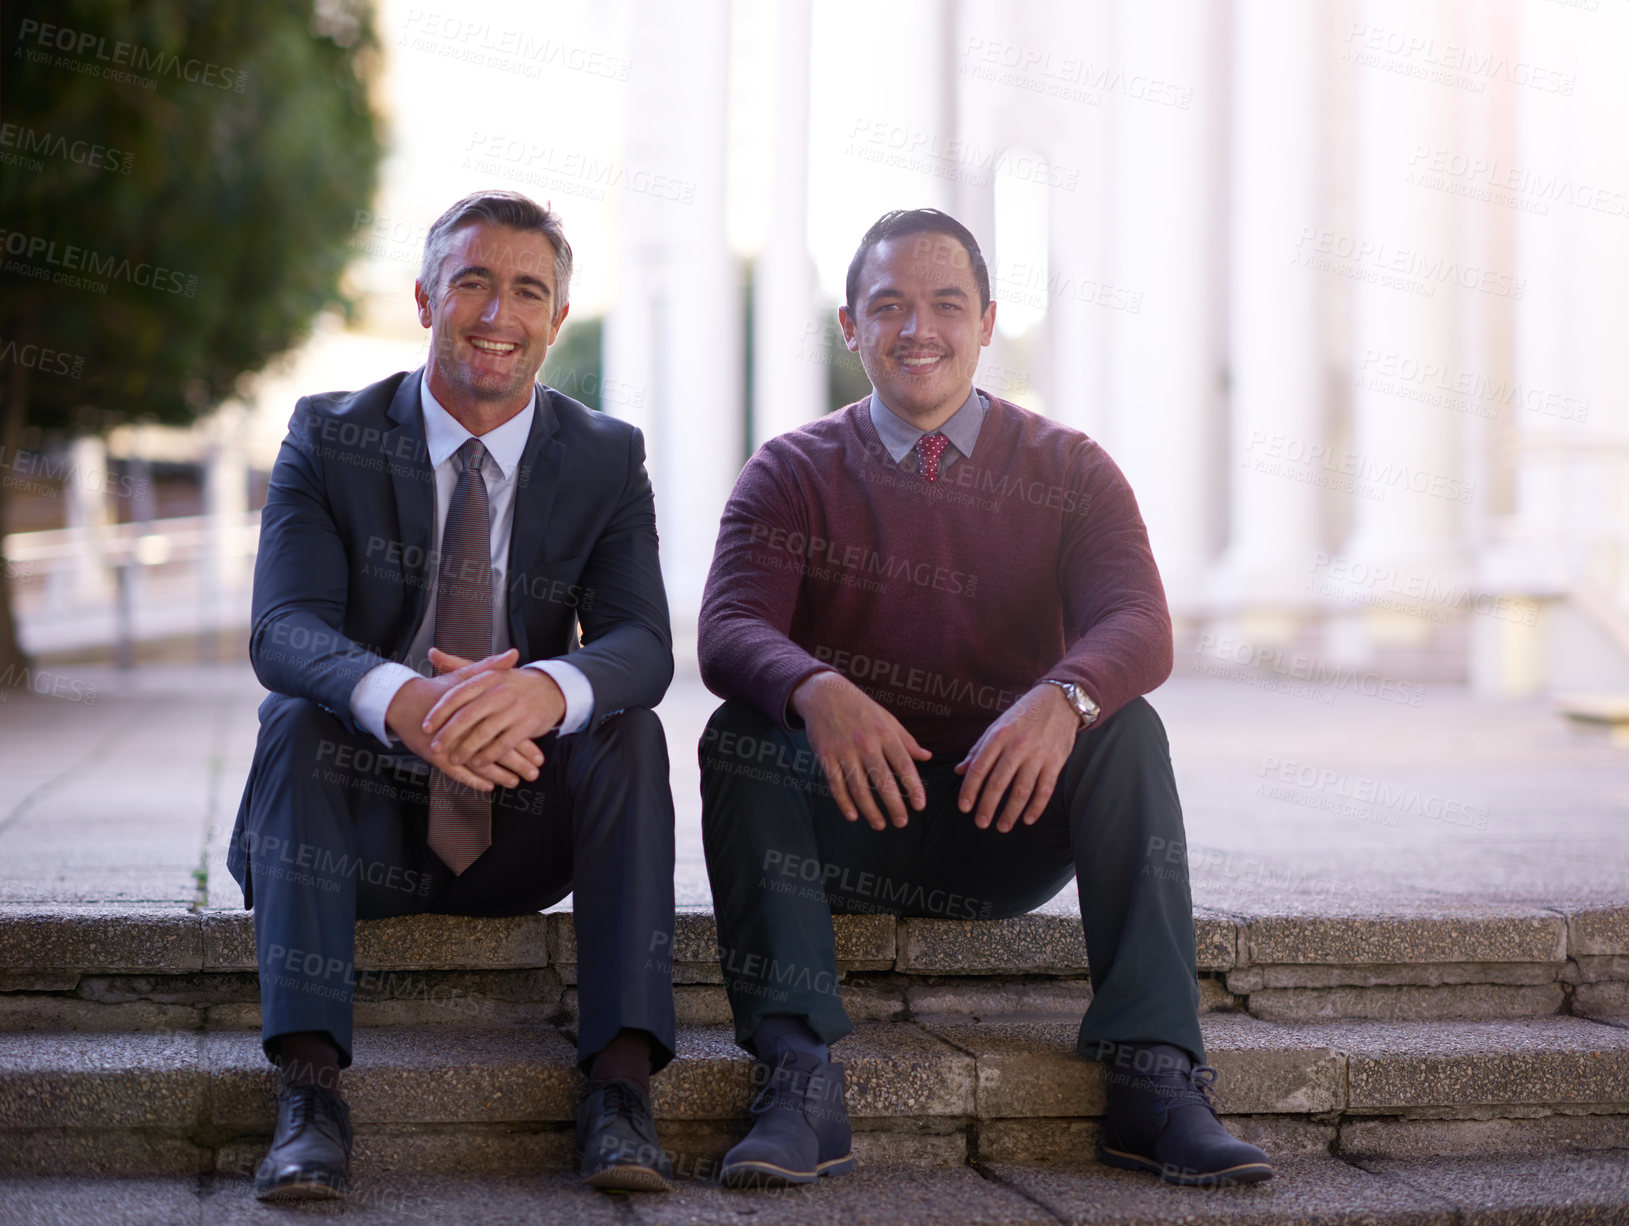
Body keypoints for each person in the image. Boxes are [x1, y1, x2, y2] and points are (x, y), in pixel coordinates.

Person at [696, 208, 1273, 1189]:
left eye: (946, 304)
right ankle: (797, 1075)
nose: (918, 328)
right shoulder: (790, 470)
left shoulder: (1071, 469)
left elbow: (1141, 623)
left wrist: (1065, 695)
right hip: (848, 825)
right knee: (740, 731)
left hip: (1007, 819)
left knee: (1126, 725)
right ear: (849, 325)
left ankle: (1156, 1077)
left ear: (989, 320)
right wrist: (816, 687)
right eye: (889, 306)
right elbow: (728, 630)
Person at [228, 190, 678, 1199]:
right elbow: (284, 627)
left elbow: (642, 641)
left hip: (521, 818)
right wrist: (400, 700)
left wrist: (542, 691)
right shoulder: (327, 434)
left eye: (528, 290)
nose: (496, 315)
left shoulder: (606, 456)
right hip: (358, 824)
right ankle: (309, 1095)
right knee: (296, 715)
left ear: (557, 318)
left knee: (628, 731)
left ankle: (619, 1092)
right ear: (426, 297)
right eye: (471, 282)